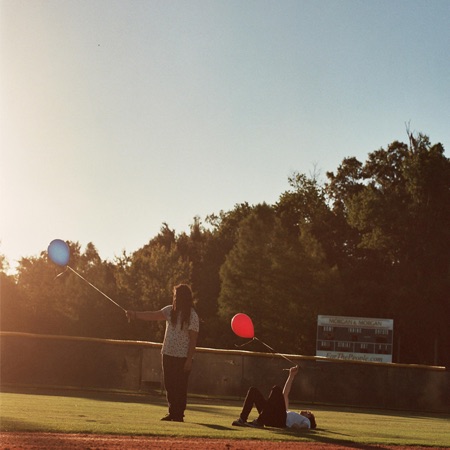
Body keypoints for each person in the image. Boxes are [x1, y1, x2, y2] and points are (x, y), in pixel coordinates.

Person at [126, 283, 199, 422]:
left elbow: (193, 340)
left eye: (177, 296)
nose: (175, 298)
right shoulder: (170, 311)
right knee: (169, 385)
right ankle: (172, 412)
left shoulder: (192, 316)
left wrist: (189, 359)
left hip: (182, 357)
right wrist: (135, 315)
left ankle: (179, 414)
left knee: (180, 387)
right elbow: (153, 315)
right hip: (167, 354)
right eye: (174, 296)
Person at [232, 366, 317, 430]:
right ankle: (242, 419)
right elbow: (285, 394)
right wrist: (291, 375)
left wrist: (298, 427)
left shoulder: (306, 420)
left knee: (276, 389)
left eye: (308, 412)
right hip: (271, 417)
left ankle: (259, 422)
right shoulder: (290, 413)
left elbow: (305, 426)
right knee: (253, 390)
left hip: (280, 421)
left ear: (309, 416)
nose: (306, 411)